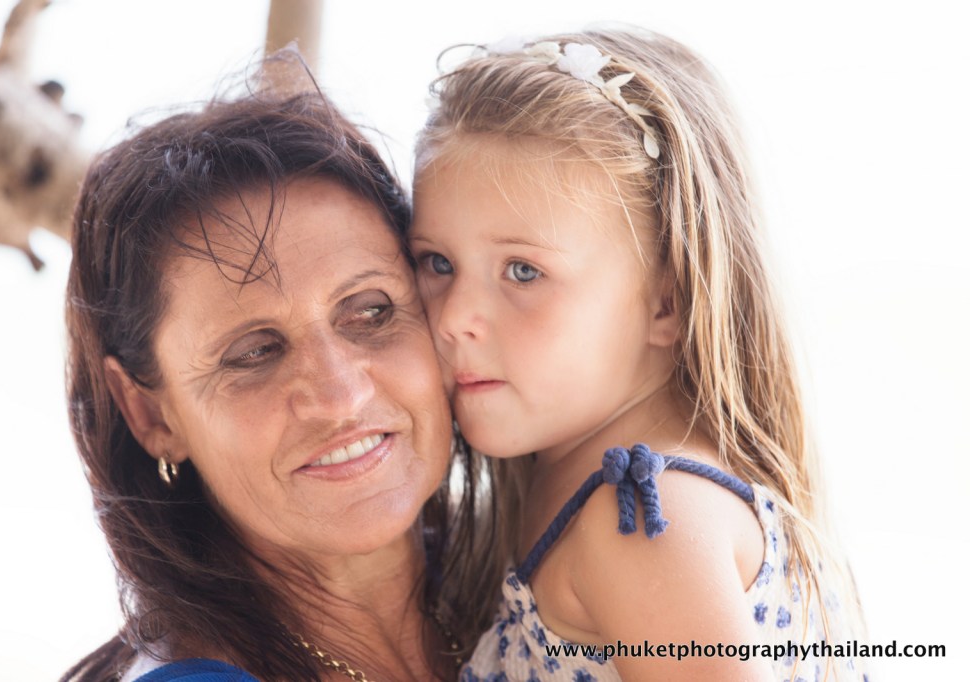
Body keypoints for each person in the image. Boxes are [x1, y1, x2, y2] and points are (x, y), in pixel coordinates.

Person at [411, 27, 869, 681]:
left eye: (521, 272)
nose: (454, 318)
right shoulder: (589, 490)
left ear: (666, 303)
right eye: (437, 262)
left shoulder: (646, 522)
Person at [61, 58, 504, 681]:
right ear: (151, 413)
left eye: (371, 312)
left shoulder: (544, 580)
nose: (341, 394)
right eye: (254, 353)